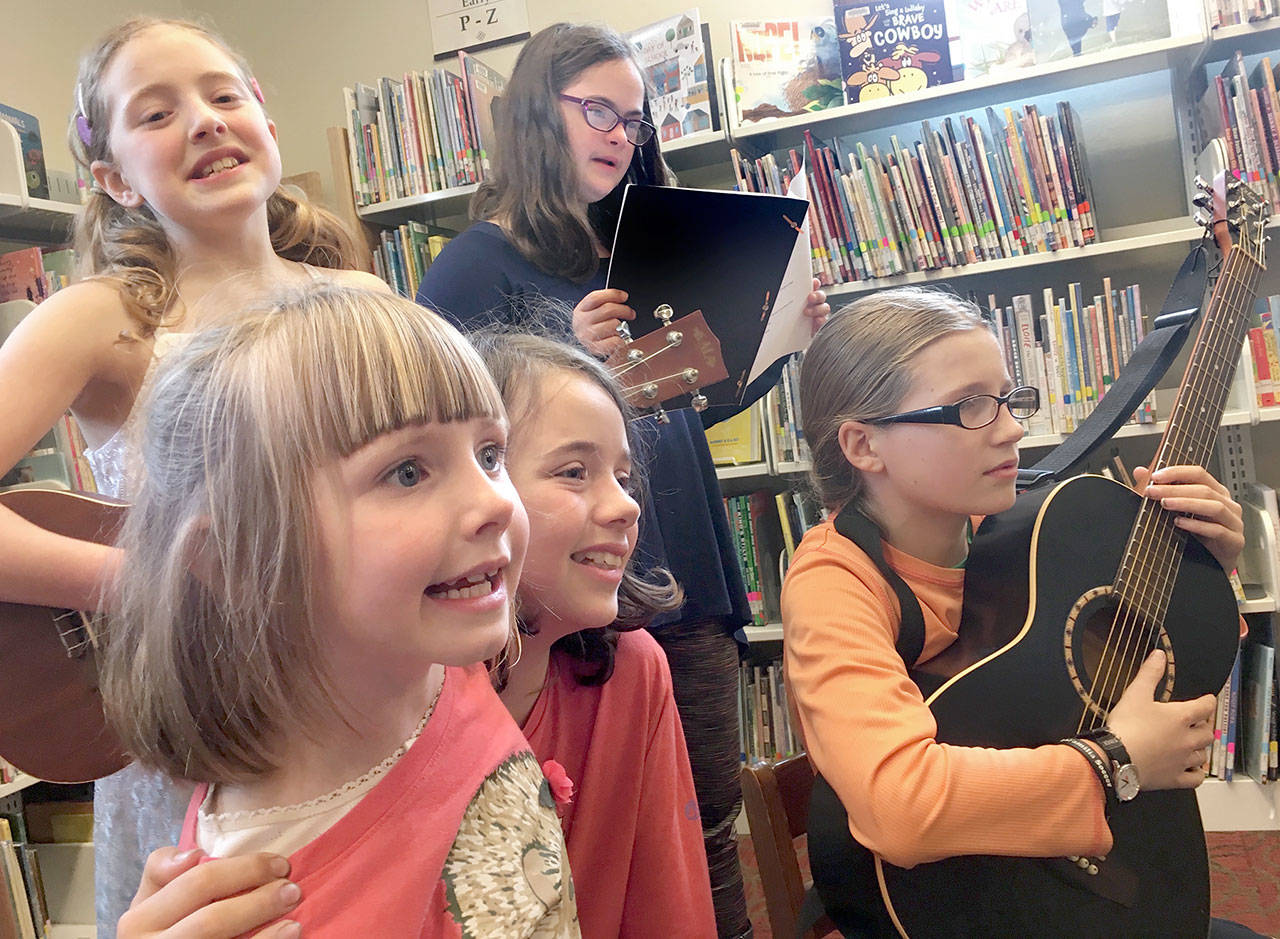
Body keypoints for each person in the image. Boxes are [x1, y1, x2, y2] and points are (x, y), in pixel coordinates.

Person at [416, 24, 828, 934]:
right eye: (598, 109)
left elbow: (675, 414)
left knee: (705, 814)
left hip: (680, 562)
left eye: (636, 120)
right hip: (560, 600)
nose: (621, 134)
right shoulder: (472, 268)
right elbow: (454, 439)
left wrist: (772, 342)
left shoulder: (625, 250)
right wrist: (579, 358)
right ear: (535, 114)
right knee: (567, 826)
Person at [0, 19, 389, 934]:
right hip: (193, 731)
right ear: (114, 180)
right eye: (158, 112)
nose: (206, 121)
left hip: (359, 696)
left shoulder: (363, 302)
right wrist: (140, 582)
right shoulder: (98, 320)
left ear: (266, 120)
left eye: (224, 96)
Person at [103, 284, 576, 937]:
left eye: (490, 453)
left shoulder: (432, 662)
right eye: (407, 471)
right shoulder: (271, 899)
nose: (497, 500)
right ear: (238, 561)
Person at [782, 286, 1254, 935]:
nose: (1011, 427)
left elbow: (1166, 657)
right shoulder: (836, 581)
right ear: (864, 445)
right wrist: (1116, 760)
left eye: (1008, 398)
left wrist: (1204, 565)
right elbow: (900, 806)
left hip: (1063, 872)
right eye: (971, 406)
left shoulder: (1022, 523)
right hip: (951, 902)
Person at [474, 331, 717, 937]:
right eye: (575, 471)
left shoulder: (634, 670)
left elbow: (669, 908)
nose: (626, 507)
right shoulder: (402, 695)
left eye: (624, 477)